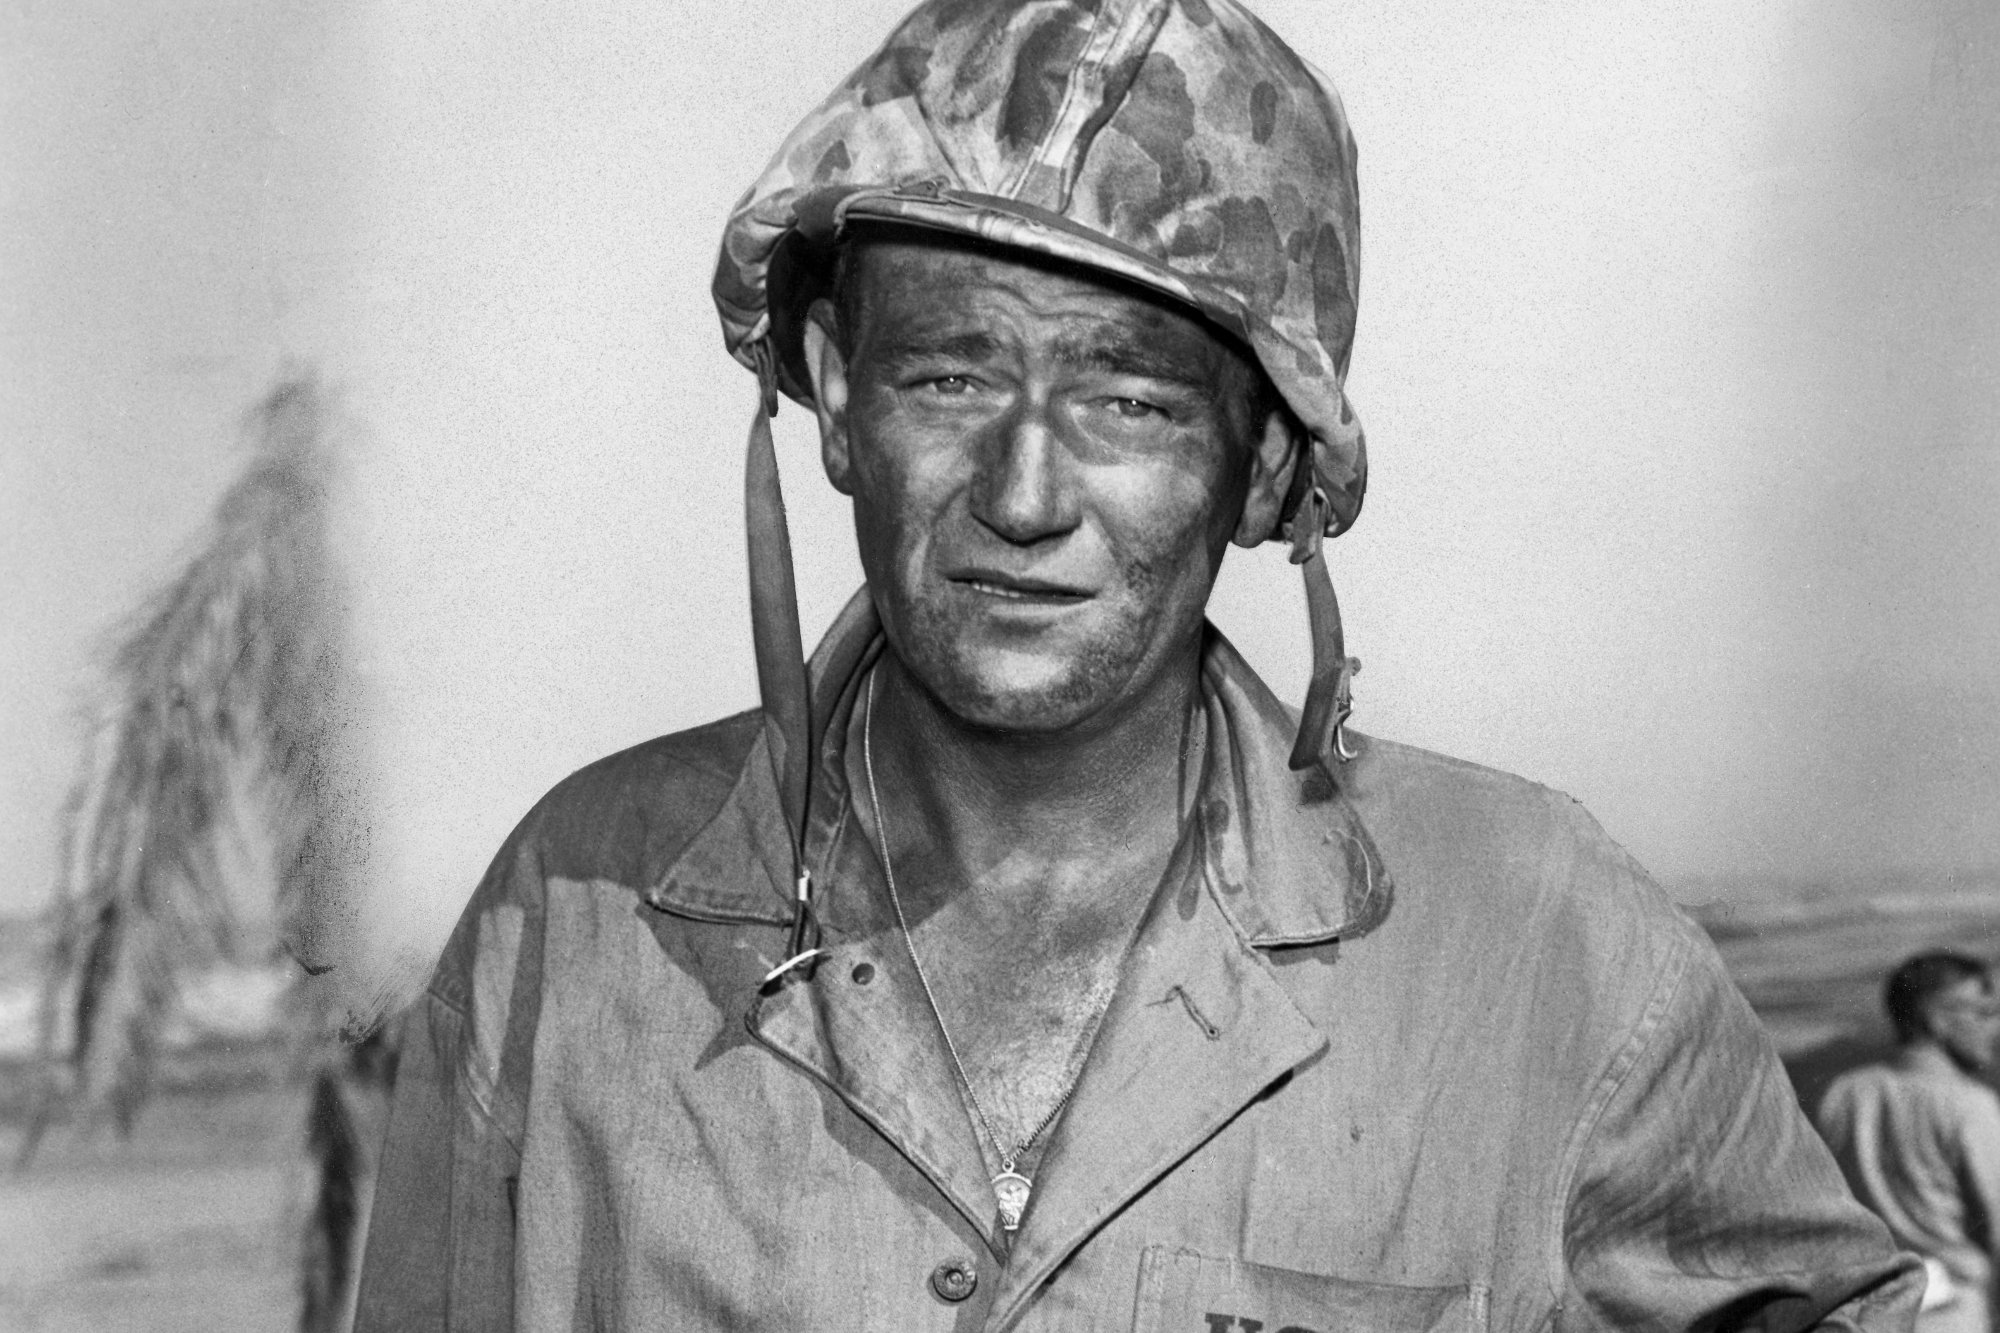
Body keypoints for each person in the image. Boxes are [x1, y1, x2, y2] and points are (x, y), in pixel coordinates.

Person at [354, 1, 1920, 1327]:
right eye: (951, 372)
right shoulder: (573, 917)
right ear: (837, 402)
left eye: (1133, 404)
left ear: (1260, 474)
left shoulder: (1536, 940)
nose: (1025, 495)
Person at [1818, 952, 2000, 1333]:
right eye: (1983, 1012)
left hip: (1867, 1312)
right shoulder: (1969, 1105)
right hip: (1953, 1314)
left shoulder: (1846, 1093)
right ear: (1937, 1020)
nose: (1994, 1027)